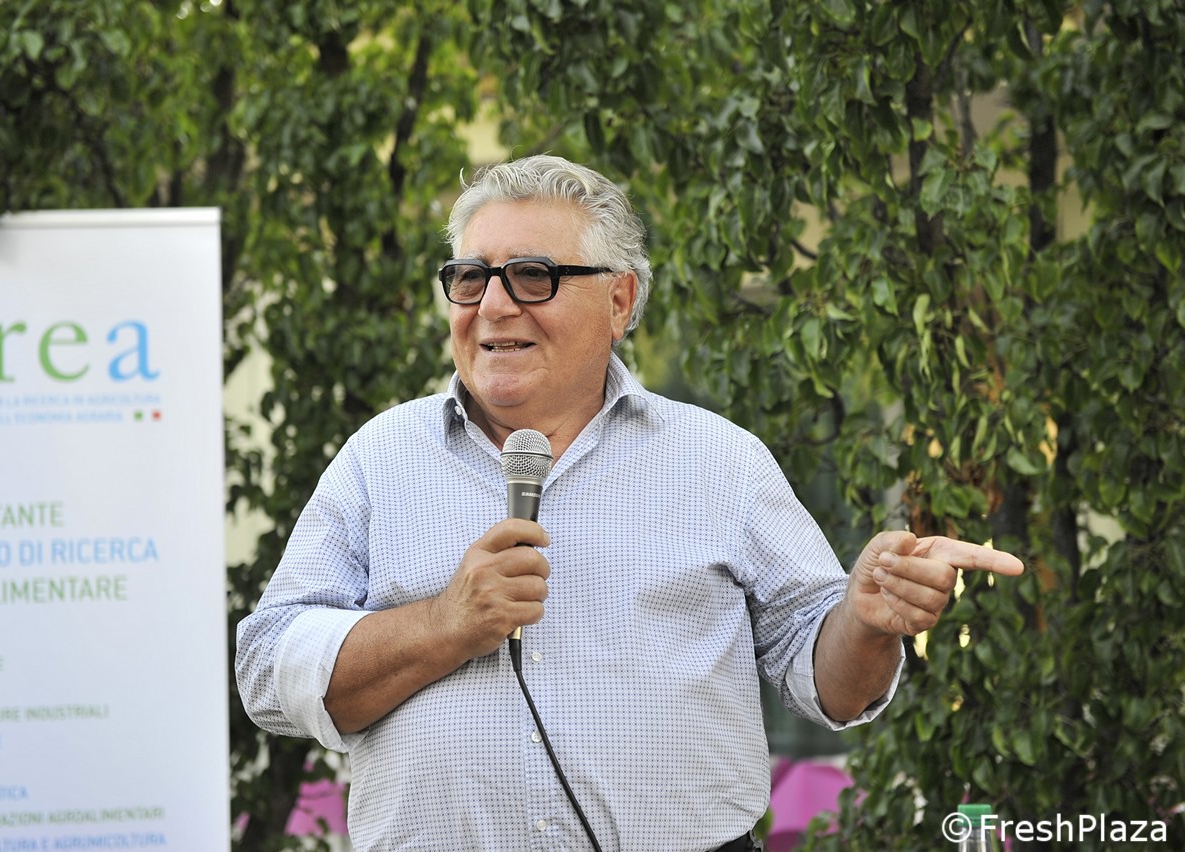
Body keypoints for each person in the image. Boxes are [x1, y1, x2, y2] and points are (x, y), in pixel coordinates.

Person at [235, 154, 1024, 851]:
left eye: (533, 276)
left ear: (619, 300)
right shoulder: (380, 459)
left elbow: (829, 685)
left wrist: (865, 619)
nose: (495, 306)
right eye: (471, 278)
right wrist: (444, 624)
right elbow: (267, 670)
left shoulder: (719, 460)